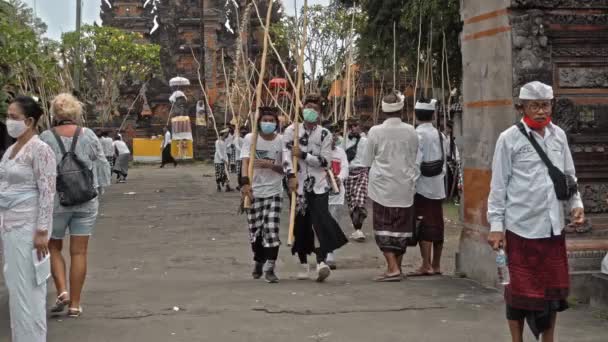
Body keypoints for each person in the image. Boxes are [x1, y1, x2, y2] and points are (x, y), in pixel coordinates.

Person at [487, 81, 585, 342]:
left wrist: (576, 206)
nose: (541, 111)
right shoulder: (508, 139)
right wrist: (496, 226)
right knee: (518, 293)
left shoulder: (559, 136)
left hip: (553, 227)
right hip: (520, 227)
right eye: (535, 106)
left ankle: (548, 340)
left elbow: (569, 176)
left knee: (553, 294)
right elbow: (498, 185)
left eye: (545, 105)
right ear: (523, 107)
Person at [40, 92, 111, 318]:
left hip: (56, 202)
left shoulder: (45, 137)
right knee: (79, 252)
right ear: (76, 113)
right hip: (86, 202)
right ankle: (75, 305)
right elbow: (101, 164)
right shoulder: (88, 134)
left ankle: (62, 291)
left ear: (55, 114)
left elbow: (40, 173)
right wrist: (98, 189)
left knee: (54, 247)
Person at [0, 96, 56, 341]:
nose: (9, 121)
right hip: (9, 226)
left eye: (14, 117)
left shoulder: (40, 149)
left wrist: (42, 231)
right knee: (15, 288)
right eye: (8, 116)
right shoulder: (11, 150)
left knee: (30, 288)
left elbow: (47, 191)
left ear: (30, 121)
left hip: (30, 228)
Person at [284, 100, 348, 282]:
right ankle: (303, 263)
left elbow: (326, 161)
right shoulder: (292, 131)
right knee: (300, 223)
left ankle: (322, 261)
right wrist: (290, 175)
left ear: (320, 113)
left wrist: (305, 156)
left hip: (319, 184)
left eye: (315, 109)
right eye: (307, 108)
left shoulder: (324, 134)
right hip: (298, 184)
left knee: (320, 221)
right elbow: (286, 154)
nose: (310, 111)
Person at [362, 91, 419, 282]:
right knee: (401, 229)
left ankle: (393, 268)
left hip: (382, 187)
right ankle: (395, 267)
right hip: (405, 185)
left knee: (384, 228)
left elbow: (368, 159)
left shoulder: (375, 132)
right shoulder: (411, 131)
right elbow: (414, 155)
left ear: (383, 110)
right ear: (401, 109)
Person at [240, 107, 284, 283]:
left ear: (276, 123)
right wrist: (245, 184)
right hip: (254, 191)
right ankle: (259, 260)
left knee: (271, 230)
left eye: (272, 121)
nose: (268, 123)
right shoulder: (251, 139)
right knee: (255, 231)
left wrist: (270, 165)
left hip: (274, 191)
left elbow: (286, 168)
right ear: (259, 122)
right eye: (265, 120)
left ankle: (270, 267)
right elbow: (245, 162)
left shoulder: (281, 141)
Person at [409, 99, 448, 277]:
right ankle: (437, 264)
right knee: (437, 224)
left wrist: (411, 184)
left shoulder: (416, 135)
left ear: (416, 115)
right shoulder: (441, 136)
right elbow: (445, 162)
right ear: (433, 115)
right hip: (438, 186)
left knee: (424, 225)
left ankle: (426, 265)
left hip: (422, 187)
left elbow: (416, 163)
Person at [343, 117, 369, 242]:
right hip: (348, 173)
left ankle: (359, 229)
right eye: (351, 126)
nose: (354, 128)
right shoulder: (343, 141)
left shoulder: (366, 141)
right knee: (351, 202)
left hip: (362, 172)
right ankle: (356, 228)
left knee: (359, 200)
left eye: (356, 125)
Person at [326, 122, 349, 270]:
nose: (333, 137)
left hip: (337, 194)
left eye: (335, 134)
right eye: (330, 134)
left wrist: (339, 178)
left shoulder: (341, 152)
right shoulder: (318, 152)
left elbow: (345, 167)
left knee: (333, 223)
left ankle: (330, 254)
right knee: (321, 223)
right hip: (320, 193)